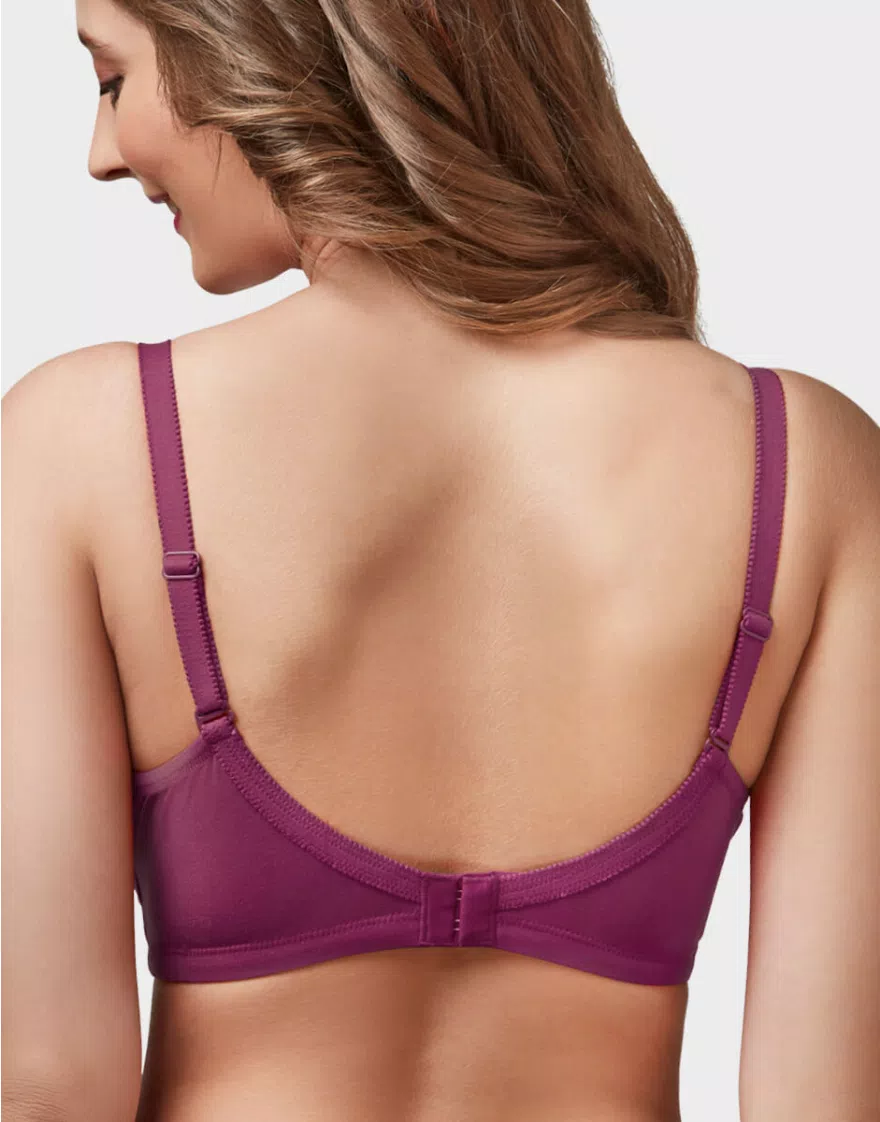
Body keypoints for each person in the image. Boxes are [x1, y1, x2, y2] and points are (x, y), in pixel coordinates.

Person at [3, 1, 878, 1120]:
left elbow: (49, 1085)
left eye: (112, 79)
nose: (103, 154)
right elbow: (824, 1100)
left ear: (256, 42)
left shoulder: (85, 444)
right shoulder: (804, 466)